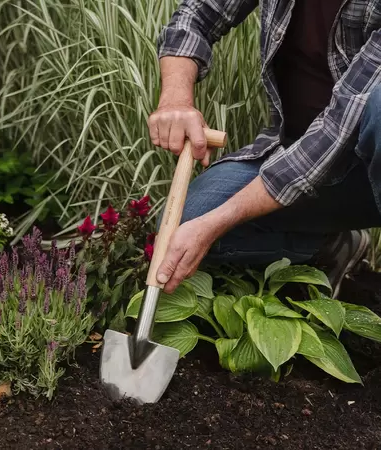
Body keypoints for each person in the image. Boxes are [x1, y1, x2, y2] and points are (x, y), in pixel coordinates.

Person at [148, 0, 381, 298]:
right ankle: (331, 247)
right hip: (295, 153)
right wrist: (175, 101)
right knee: (183, 224)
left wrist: (218, 221)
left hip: (366, 167)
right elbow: (197, 14)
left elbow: (338, 128)